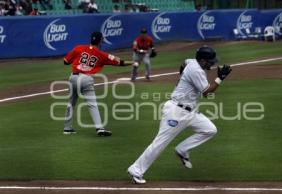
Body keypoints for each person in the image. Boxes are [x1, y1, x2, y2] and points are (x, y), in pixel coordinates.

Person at [128, 46, 232, 184]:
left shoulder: (192, 62)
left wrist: (180, 78)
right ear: (202, 60)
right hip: (176, 112)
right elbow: (207, 93)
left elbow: (183, 63)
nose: (212, 64)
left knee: (210, 129)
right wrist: (220, 78)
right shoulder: (196, 70)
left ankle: (182, 149)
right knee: (160, 143)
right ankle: (135, 170)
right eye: (209, 61)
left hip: (190, 112)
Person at [63, 32, 138, 136]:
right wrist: (132, 62)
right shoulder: (101, 54)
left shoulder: (78, 48)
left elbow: (65, 61)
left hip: (73, 77)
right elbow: (120, 62)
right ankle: (100, 128)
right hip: (86, 79)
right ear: (100, 41)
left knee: (71, 103)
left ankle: (67, 128)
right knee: (92, 104)